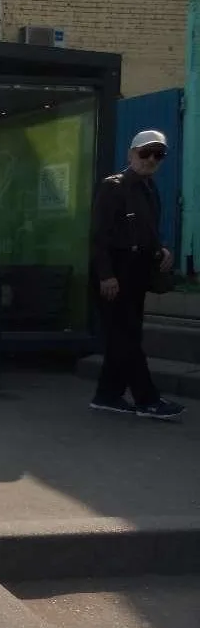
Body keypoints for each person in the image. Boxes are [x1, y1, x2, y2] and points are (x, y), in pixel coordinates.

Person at [89, 129, 185, 420]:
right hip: (115, 273)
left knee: (125, 336)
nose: (151, 159)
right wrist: (106, 275)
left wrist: (161, 250)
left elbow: (147, 231)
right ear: (131, 154)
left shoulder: (149, 189)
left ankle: (107, 395)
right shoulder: (113, 187)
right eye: (145, 153)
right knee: (127, 338)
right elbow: (99, 236)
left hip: (137, 273)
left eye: (158, 154)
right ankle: (148, 400)